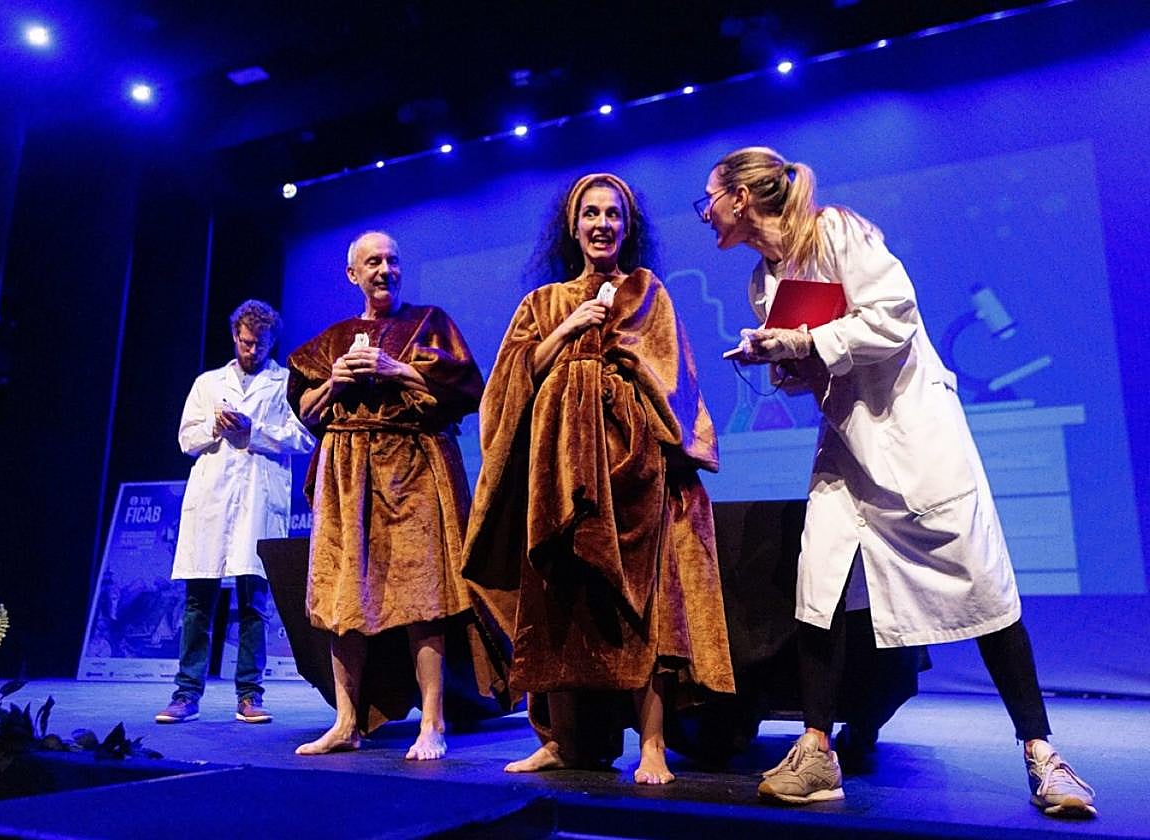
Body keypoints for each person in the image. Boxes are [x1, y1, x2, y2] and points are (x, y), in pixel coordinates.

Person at [699, 146, 1096, 817]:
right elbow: (815, 367)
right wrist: (778, 357)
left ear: (740, 197)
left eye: (708, 199)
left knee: (983, 586)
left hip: (913, 435)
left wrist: (802, 343)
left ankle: (1043, 755)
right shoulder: (763, 284)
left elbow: (894, 316)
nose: (706, 214)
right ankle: (816, 752)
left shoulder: (835, 232)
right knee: (820, 584)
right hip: (847, 443)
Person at [463, 173, 735, 785]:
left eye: (613, 214)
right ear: (573, 224)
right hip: (557, 473)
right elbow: (509, 384)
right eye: (591, 213)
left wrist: (613, 374)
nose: (602, 224)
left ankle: (653, 745)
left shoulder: (647, 292)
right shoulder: (543, 302)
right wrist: (569, 328)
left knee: (644, 606)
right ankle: (561, 740)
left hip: (633, 471)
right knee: (558, 601)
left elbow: (673, 377)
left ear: (627, 227)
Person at [287, 231, 491, 761]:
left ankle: (433, 722)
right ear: (353, 274)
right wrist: (334, 382)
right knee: (342, 595)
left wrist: (396, 369)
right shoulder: (332, 340)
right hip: (347, 470)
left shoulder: (430, 324)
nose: (384, 270)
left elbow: (467, 391)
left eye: (392, 261)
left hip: (412, 466)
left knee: (422, 596)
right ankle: (346, 721)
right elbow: (306, 411)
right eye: (373, 262)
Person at [155, 300, 315, 725]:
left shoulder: (285, 384)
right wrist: (215, 426)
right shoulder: (208, 383)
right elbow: (186, 439)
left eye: (260, 344)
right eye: (245, 342)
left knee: (253, 603)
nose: (251, 350)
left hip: (258, 499)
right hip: (212, 500)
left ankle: (249, 695)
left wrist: (253, 431)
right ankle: (186, 694)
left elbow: (304, 438)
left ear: (272, 341)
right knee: (198, 603)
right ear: (234, 336)